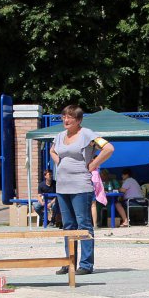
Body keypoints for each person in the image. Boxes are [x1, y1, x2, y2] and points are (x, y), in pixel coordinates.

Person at [50, 105, 114, 275]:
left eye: (70, 117)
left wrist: (93, 164)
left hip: (80, 186)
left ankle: (86, 264)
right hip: (62, 186)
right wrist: (59, 162)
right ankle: (69, 262)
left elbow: (109, 148)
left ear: (78, 120)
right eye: (64, 116)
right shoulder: (59, 136)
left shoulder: (87, 134)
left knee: (83, 223)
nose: (66, 120)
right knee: (67, 225)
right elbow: (52, 150)